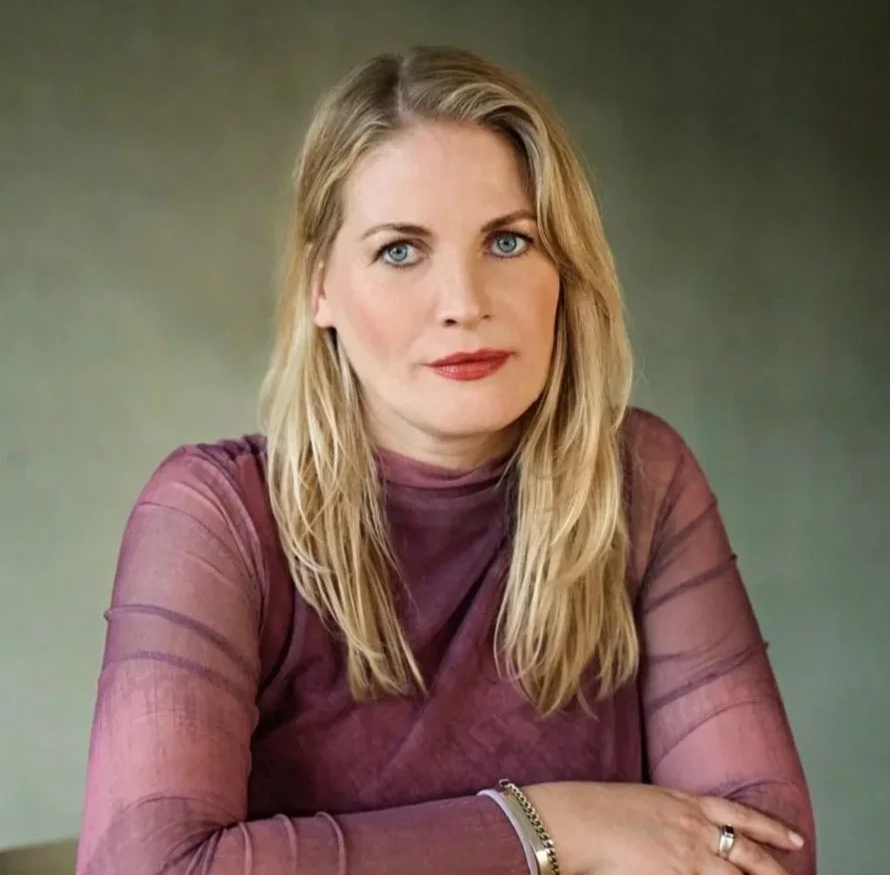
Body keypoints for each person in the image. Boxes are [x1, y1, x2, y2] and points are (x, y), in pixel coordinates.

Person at [75, 46, 816, 875]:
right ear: (321, 287)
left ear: (566, 271)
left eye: (509, 241)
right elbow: (145, 867)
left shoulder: (642, 481)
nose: (464, 303)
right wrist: (554, 827)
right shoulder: (215, 518)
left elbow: (765, 849)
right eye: (400, 250)